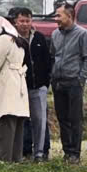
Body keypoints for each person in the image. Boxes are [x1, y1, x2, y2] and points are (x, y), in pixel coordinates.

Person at [48, 0, 87, 162]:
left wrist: (80, 79)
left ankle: (75, 153)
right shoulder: (55, 34)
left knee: (75, 119)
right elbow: (53, 56)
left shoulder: (82, 34)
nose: (56, 19)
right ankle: (67, 151)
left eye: (59, 15)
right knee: (62, 119)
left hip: (73, 82)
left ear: (70, 16)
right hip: (58, 82)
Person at [0, 6, 29, 160]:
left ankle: (2, 157)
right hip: (19, 86)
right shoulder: (19, 40)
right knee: (17, 125)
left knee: (5, 122)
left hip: (10, 86)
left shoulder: (4, 39)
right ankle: (15, 157)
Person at [23, 8, 55, 158]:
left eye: (27, 20)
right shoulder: (13, 39)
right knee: (22, 121)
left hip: (39, 86)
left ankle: (41, 152)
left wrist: (45, 82)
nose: (25, 24)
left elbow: (47, 61)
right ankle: (24, 151)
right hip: (21, 88)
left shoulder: (39, 38)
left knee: (40, 121)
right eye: (21, 21)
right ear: (16, 22)